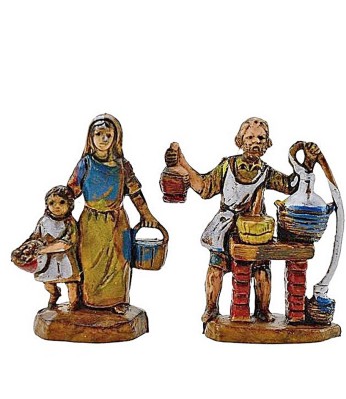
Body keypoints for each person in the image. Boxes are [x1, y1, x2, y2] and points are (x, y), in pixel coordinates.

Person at [166, 117, 320, 324]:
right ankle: (211, 308)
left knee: (262, 271)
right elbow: (204, 187)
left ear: (267, 144)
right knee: (216, 268)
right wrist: (182, 163)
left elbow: (290, 185)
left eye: (261, 138)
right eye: (250, 137)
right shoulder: (227, 166)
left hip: (255, 230)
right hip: (225, 228)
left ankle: (262, 311)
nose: (255, 142)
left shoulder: (266, 172)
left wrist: (308, 163)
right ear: (240, 140)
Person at [68, 114, 160, 313]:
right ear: (90, 137)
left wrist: (147, 215)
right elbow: (71, 191)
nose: (103, 139)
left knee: (119, 262)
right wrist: (57, 213)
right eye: (99, 134)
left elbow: (135, 193)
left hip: (117, 222)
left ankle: (118, 300)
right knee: (90, 263)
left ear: (115, 137)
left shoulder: (123, 166)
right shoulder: (85, 164)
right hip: (91, 222)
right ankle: (88, 301)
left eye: (108, 135)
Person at [30, 185, 81, 310]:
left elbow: (66, 243)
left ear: (69, 204)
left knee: (71, 283)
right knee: (48, 283)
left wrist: (43, 250)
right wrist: (29, 246)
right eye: (52, 203)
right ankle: (54, 294)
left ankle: (74, 305)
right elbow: (35, 236)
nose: (56, 206)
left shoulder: (70, 223)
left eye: (62, 202)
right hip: (48, 261)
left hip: (66, 260)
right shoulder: (44, 221)